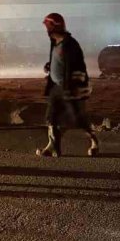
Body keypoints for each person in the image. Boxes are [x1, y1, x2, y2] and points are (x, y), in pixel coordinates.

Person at [37, 13, 99, 157]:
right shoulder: (55, 43)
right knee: (51, 117)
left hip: (71, 88)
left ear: (56, 26)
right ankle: (53, 146)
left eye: (48, 26)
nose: (47, 29)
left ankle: (94, 142)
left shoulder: (70, 44)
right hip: (56, 87)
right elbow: (59, 62)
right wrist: (50, 66)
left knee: (78, 119)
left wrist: (73, 88)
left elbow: (78, 67)